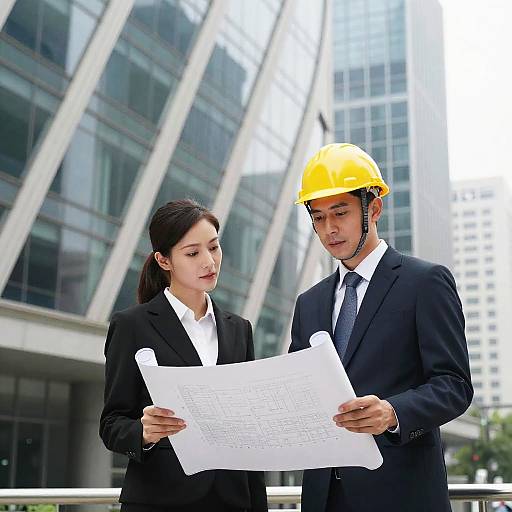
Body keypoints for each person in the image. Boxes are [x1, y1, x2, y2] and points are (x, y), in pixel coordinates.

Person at [289, 143, 473, 512]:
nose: (329, 229)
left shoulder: (425, 282)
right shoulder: (309, 303)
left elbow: (454, 385)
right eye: (318, 218)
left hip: (401, 493)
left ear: (373, 208)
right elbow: (300, 391)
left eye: (340, 213)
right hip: (324, 497)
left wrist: (393, 412)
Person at [100, 199, 268, 512]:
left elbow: (249, 433)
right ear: (164, 261)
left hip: (232, 500)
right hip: (159, 501)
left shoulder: (238, 329)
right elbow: (112, 423)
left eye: (214, 247)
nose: (209, 262)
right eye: (193, 253)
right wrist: (144, 431)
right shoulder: (132, 326)